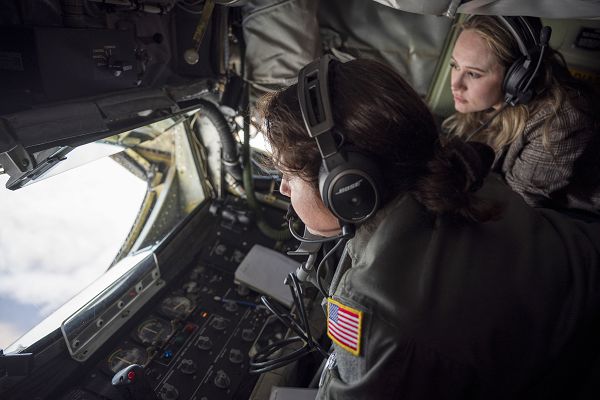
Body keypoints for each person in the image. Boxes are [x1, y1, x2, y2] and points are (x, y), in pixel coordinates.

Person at [257, 56, 600, 399]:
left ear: (346, 187)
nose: (283, 189)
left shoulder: (378, 310)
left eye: (288, 175)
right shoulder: (461, 171)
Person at [443, 15, 600, 217]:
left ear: (517, 79)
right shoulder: (487, 99)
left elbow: (511, 205)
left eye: (473, 73)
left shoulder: (562, 121)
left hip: (576, 220)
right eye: (454, 65)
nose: (455, 84)